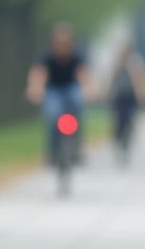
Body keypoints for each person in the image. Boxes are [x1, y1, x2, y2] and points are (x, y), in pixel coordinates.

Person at [26, 23, 97, 164]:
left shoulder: (77, 55)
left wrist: (90, 89)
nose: (62, 45)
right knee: (52, 115)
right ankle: (51, 153)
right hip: (54, 90)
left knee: (78, 105)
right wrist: (34, 88)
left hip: (71, 88)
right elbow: (39, 74)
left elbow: (83, 75)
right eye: (59, 42)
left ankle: (77, 148)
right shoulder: (47, 55)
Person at [107, 41, 145, 164]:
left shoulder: (136, 63)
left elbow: (142, 78)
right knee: (119, 121)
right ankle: (118, 139)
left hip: (132, 96)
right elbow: (112, 79)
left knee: (130, 119)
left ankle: (127, 140)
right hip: (119, 96)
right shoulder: (117, 63)